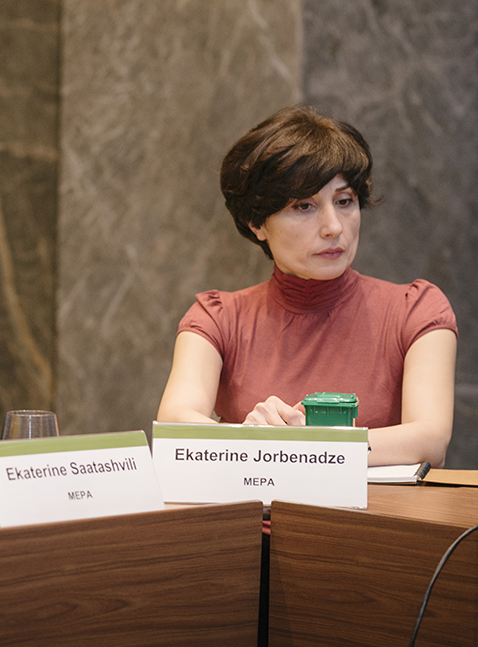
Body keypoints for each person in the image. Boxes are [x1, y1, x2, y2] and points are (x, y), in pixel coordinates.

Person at [157, 106, 456, 467]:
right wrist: (260, 440)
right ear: (256, 222)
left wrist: (295, 446)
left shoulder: (415, 309)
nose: (334, 227)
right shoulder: (218, 318)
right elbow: (174, 423)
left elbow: (430, 439)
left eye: (344, 202)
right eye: (304, 207)